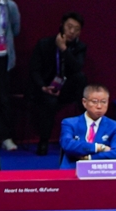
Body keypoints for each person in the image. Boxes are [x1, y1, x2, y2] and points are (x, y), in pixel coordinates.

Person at [29, 11, 87, 156]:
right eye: (69, 27)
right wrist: (43, 87)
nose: (72, 32)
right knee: (50, 101)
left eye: (76, 29)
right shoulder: (44, 44)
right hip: (44, 89)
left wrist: (64, 49)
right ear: (61, 26)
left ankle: (86, 132)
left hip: (65, 90)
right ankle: (43, 142)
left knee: (81, 78)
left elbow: (77, 67)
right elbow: (34, 70)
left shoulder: (80, 48)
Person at [59, 84, 116, 169]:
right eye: (94, 102)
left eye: (103, 102)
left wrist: (89, 158)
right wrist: (99, 147)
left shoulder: (115, 126)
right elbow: (68, 145)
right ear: (84, 102)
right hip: (72, 168)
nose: (99, 106)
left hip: (100, 170)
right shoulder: (69, 123)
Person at [0, 0, 19, 152]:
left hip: (2, 57)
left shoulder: (9, 6)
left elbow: (15, 29)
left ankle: (6, 137)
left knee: (3, 98)